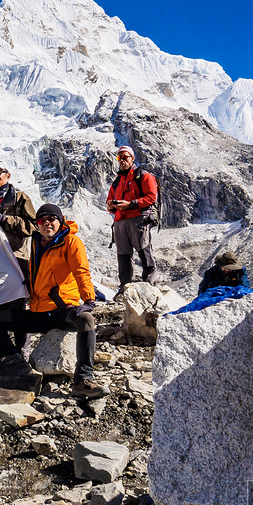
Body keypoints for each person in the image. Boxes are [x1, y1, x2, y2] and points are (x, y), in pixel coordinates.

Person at [15, 204, 109, 399]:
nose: (47, 223)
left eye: (51, 219)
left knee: (85, 320)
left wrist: (89, 299)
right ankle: (12, 366)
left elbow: (81, 271)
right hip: (38, 309)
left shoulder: (71, 242)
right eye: (42, 220)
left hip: (61, 308)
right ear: (37, 224)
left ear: (60, 221)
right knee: (1, 320)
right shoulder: (35, 242)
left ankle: (83, 380)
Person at [0, 161, 38, 358]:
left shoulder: (20, 198)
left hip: (16, 261)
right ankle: (5, 354)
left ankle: (23, 352)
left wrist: (5, 220)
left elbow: (33, 226)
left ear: (8, 176)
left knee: (18, 306)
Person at [107, 146, 158, 291]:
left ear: (132, 158)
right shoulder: (116, 182)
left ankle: (149, 285)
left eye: (125, 157)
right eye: (119, 158)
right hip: (120, 221)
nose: (122, 160)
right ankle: (124, 287)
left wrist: (130, 204)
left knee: (144, 251)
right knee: (123, 256)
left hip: (138, 218)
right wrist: (111, 206)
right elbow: (109, 201)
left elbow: (151, 197)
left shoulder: (143, 176)